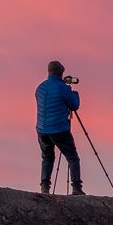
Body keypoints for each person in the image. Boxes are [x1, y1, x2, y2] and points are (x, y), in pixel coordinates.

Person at [35, 60, 83, 195]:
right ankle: (76, 187)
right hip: (59, 128)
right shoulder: (63, 88)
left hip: (42, 129)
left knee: (47, 157)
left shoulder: (40, 88)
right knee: (72, 157)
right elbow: (74, 105)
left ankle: (44, 187)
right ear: (61, 73)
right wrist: (74, 93)